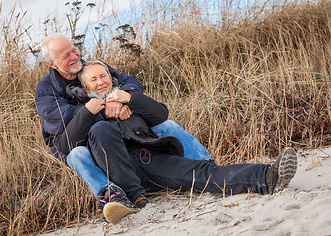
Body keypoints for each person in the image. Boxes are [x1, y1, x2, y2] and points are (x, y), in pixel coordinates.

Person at [57, 60, 298, 223]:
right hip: (120, 174)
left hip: (149, 158)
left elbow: (161, 114)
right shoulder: (82, 111)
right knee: (100, 129)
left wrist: (129, 98)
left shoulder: (127, 98)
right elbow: (65, 148)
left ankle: (267, 177)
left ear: (111, 78)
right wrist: (89, 112)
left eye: (103, 76)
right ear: (85, 87)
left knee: (200, 173)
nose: (100, 82)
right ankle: (135, 198)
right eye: (93, 80)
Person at [35, 33, 213, 222]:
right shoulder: (45, 90)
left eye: (74, 50)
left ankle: (205, 165)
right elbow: (64, 116)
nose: (74, 57)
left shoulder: (90, 68)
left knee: (165, 123)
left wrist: (123, 99)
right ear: (52, 64)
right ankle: (110, 194)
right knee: (77, 155)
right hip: (78, 140)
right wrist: (105, 107)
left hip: (115, 130)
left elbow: (131, 82)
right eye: (65, 56)